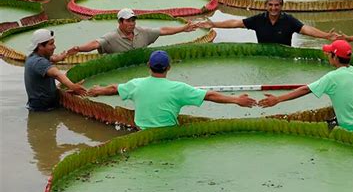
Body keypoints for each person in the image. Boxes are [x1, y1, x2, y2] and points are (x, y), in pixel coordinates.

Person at [88, 50, 257, 130]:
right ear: (169, 67)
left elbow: (114, 88)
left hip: (140, 132)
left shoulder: (136, 84)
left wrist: (98, 90)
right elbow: (210, 95)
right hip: (168, 133)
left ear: (149, 66)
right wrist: (236, 100)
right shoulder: (179, 89)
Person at [258, 40, 353, 133]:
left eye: (329, 53)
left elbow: (305, 89)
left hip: (351, 129)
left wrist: (278, 99)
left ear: (335, 57)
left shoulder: (331, 77)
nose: (328, 56)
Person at [197, 0, 336, 46]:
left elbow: (306, 29)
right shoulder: (259, 19)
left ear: (281, 6)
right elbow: (236, 23)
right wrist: (213, 23)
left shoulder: (289, 20)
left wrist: (326, 36)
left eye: (277, 5)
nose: (273, 8)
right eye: (270, 5)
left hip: (284, 55)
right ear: (265, 6)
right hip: (263, 54)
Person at [67, 8, 198, 55]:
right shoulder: (111, 37)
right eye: (128, 21)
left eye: (133, 20)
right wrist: (79, 48)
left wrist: (183, 28)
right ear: (120, 22)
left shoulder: (141, 32)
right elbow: (95, 44)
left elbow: (162, 30)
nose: (131, 24)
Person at [24, 29, 87, 111]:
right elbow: (57, 74)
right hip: (44, 109)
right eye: (51, 44)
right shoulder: (39, 62)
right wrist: (73, 87)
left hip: (37, 104)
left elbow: (52, 58)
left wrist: (63, 56)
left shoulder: (32, 57)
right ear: (40, 46)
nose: (54, 47)